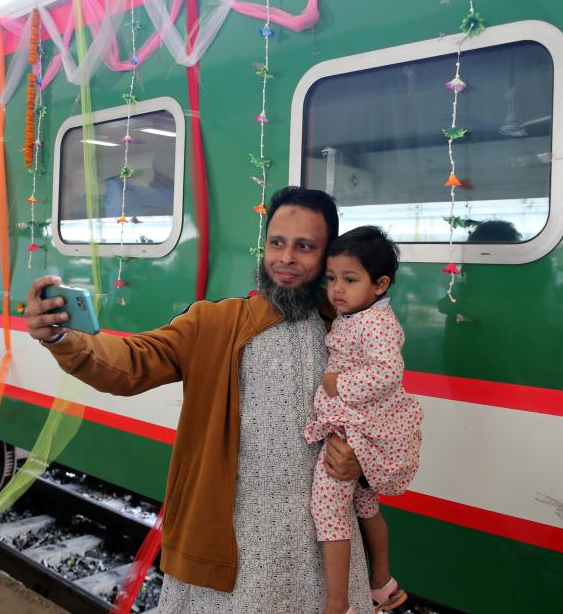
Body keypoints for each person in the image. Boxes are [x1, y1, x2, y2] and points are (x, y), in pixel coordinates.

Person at [25, 186, 374, 613]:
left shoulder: (352, 333)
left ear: (325, 258)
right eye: (277, 243)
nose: (285, 259)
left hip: (325, 550)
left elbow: (387, 425)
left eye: (304, 247)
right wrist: (63, 337)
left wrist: (363, 462)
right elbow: (132, 363)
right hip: (235, 548)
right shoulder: (215, 324)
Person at [306, 226, 423, 614]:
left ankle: (338, 604)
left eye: (350, 279)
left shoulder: (373, 323)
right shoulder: (360, 314)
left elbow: (389, 371)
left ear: (380, 284)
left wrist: (338, 384)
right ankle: (382, 584)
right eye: (332, 278)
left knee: (328, 508)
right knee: (365, 505)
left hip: (356, 427)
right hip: (361, 424)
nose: (337, 288)